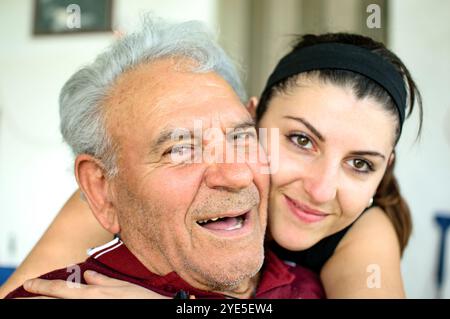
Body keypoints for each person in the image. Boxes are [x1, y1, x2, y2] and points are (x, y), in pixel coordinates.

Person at [1, 31, 423, 299]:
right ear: (253, 119)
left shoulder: (365, 233)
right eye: (300, 140)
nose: (321, 188)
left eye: (361, 164)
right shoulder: (115, 191)